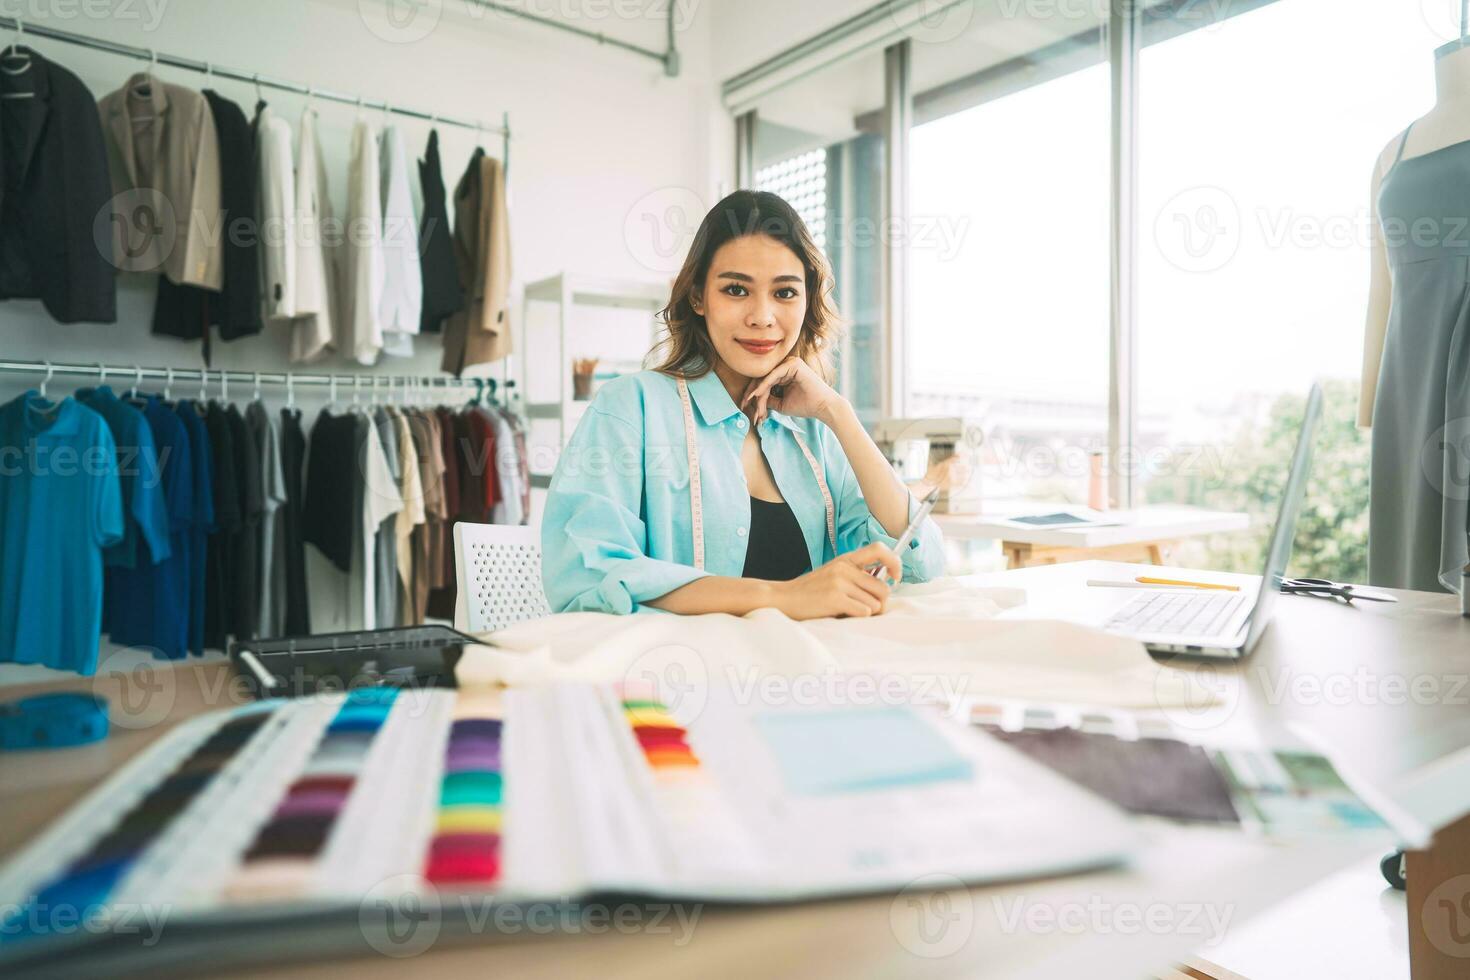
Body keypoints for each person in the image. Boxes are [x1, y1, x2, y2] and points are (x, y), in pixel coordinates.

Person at [540, 190, 945, 618]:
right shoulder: (630, 409)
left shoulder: (817, 433)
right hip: (679, 678)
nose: (762, 317)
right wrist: (781, 597)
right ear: (698, 297)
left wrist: (837, 413)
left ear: (807, 301)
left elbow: (922, 566)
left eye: (785, 293)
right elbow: (586, 578)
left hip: (810, 675)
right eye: (736, 290)